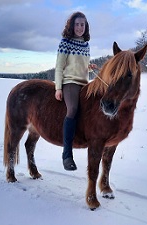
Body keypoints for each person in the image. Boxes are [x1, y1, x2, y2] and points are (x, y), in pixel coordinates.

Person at [54, 11, 97, 171]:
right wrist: (58, 87)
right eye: (77, 24)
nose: (80, 27)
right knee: (72, 109)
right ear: (72, 26)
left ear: (86, 27)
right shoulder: (65, 42)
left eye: (82, 24)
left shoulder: (86, 45)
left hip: (85, 82)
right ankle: (67, 155)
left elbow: (80, 63)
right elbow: (59, 67)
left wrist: (89, 66)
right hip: (70, 82)